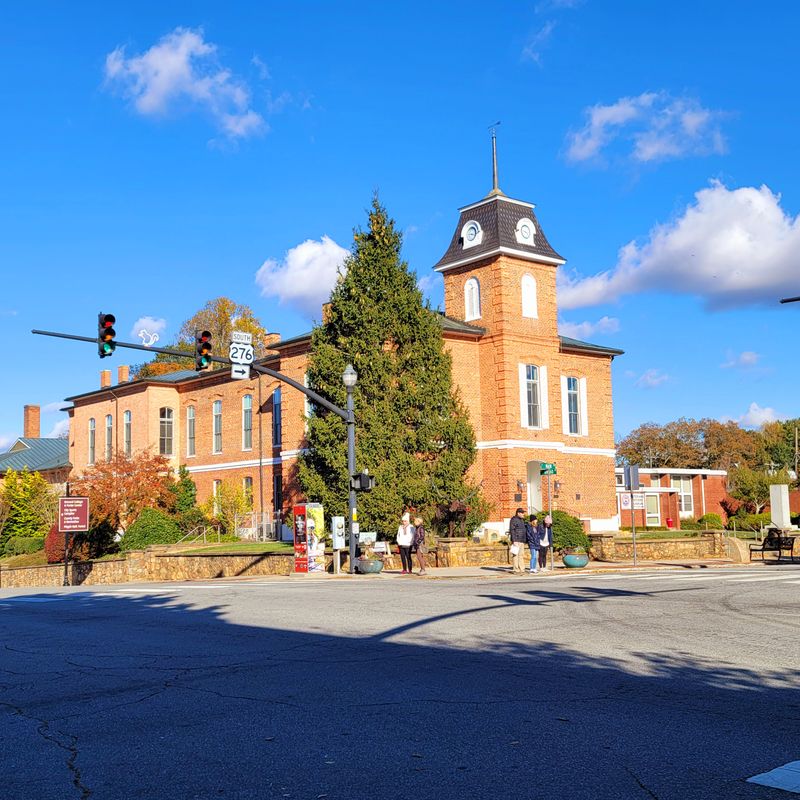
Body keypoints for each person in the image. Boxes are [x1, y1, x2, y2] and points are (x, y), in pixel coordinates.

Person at [509, 508, 528, 573]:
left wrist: (524, 540)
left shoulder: (522, 520)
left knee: (521, 555)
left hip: (521, 540)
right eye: (522, 513)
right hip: (516, 540)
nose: (523, 514)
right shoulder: (514, 520)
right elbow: (512, 530)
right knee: (515, 555)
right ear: (518, 513)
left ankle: (522, 569)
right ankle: (516, 569)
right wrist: (514, 540)